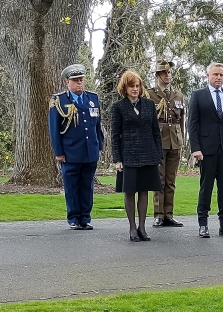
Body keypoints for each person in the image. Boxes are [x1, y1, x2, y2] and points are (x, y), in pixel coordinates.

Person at [188, 62, 223, 238]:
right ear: (208, 76)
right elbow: (192, 125)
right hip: (206, 150)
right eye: (215, 74)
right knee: (206, 188)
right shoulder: (198, 96)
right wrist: (195, 148)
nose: (219, 77)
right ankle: (203, 224)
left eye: (221, 75)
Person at [48, 64, 104, 230]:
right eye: (75, 80)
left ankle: (85, 217)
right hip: (70, 152)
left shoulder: (92, 98)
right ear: (68, 82)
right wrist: (58, 152)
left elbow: (97, 126)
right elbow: (54, 129)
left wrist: (99, 145)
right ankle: (74, 218)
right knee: (72, 187)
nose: (79, 83)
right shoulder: (59, 101)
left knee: (87, 185)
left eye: (81, 80)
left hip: (90, 151)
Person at [111, 70, 163, 242]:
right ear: (124, 88)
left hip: (148, 154)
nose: (135, 89)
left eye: (137, 85)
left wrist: (158, 155)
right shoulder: (118, 107)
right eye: (131, 86)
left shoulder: (149, 105)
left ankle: (142, 227)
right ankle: (132, 227)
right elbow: (115, 135)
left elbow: (156, 131)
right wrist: (117, 159)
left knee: (144, 190)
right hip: (129, 156)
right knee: (129, 191)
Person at [147, 60, 185, 228]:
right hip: (158, 141)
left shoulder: (178, 95)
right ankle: (158, 214)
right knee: (159, 180)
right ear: (157, 75)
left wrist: (182, 139)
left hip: (175, 141)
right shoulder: (149, 94)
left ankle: (169, 214)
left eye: (169, 73)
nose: (167, 76)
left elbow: (181, 120)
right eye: (164, 73)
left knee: (171, 180)